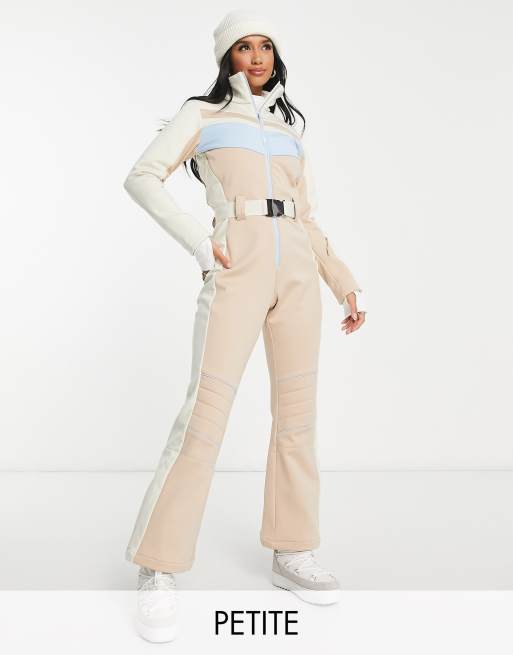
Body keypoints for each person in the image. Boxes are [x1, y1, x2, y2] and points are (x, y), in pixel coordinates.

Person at [123, 9, 367, 642]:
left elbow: (306, 217)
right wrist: (202, 246)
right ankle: (158, 563)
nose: (256, 57)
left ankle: (293, 549)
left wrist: (342, 281)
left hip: (299, 277)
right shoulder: (202, 116)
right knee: (204, 418)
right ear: (226, 57)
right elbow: (142, 178)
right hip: (237, 270)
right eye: (243, 47)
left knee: (297, 419)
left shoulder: (289, 128)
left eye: (265, 46)